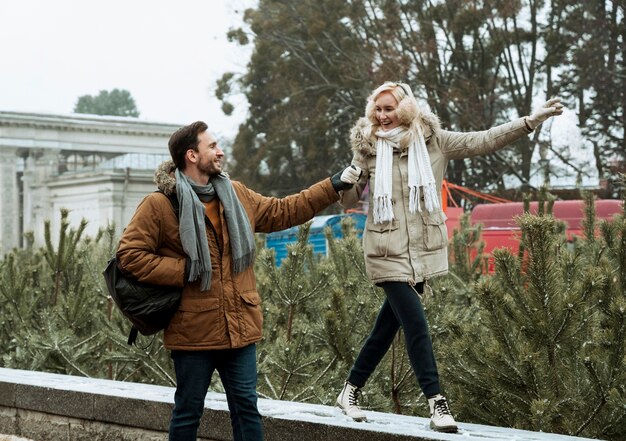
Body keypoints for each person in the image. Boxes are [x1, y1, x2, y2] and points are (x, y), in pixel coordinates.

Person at [335, 82, 564, 433]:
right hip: (386, 249)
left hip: (423, 248)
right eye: (376, 109)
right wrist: (347, 183)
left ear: (406, 109)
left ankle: (349, 391)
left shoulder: (434, 141)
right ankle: (436, 402)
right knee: (416, 324)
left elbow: (483, 139)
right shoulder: (367, 149)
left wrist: (529, 122)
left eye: (388, 108)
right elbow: (350, 204)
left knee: (387, 327)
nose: (382, 116)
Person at [116, 121, 359, 441]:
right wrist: (184, 270)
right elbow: (129, 255)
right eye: (212, 146)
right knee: (188, 410)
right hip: (193, 331)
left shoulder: (236, 194)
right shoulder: (161, 204)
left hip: (240, 326)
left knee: (246, 407)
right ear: (191, 155)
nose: (220, 151)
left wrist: (331, 185)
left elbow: (284, 210)